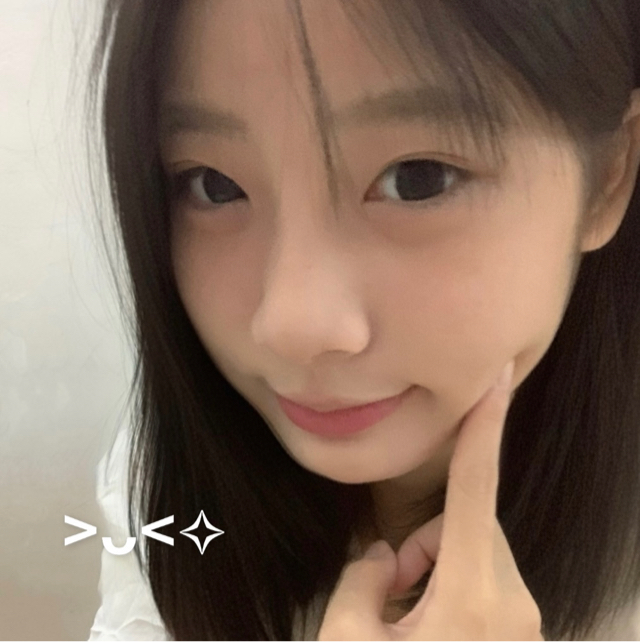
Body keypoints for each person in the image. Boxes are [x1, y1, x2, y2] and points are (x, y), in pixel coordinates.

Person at [86, 0, 640, 639]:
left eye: (418, 179)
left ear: (609, 175)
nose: (290, 325)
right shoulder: (158, 473)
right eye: (213, 184)